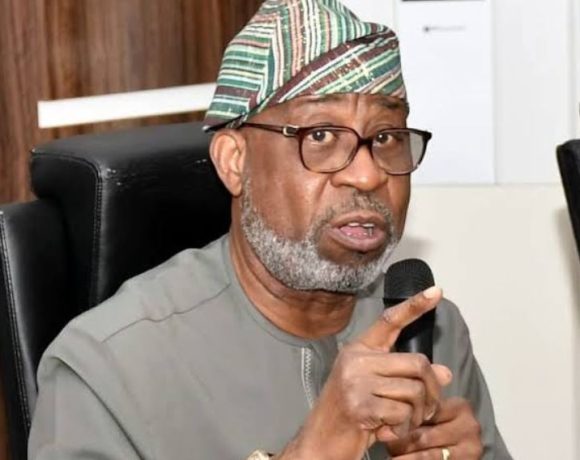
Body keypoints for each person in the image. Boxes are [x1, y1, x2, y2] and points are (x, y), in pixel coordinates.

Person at [28, 1, 512, 459]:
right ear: (234, 163)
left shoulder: (427, 328)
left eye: (385, 138)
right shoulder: (106, 368)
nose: (368, 175)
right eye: (320, 136)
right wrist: (316, 449)